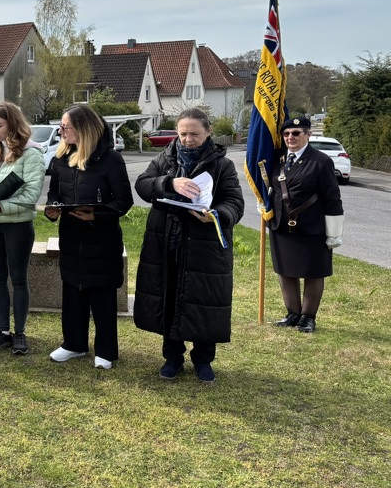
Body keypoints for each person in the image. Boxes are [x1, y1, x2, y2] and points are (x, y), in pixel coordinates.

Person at [133, 108, 245, 383]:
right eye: (182, 133)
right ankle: (172, 357)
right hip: (167, 243)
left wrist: (215, 215)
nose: (187, 139)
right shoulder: (165, 158)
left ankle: (203, 359)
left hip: (205, 246)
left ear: (208, 132)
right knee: (169, 298)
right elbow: (143, 185)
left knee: (204, 302)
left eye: (194, 133)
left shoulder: (222, 165)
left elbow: (234, 202)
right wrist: (169, 182)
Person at [44, 106, 134, 369]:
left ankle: (105, 351)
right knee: (72, 291)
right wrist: (53, 210)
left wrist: (96, 216)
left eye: (66, 127)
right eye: (61, 127)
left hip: (101, 239)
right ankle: (73, 344)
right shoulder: (60, 158)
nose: (61, 132)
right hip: (71, 236)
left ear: (83, 129)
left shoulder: (110, 159)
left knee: (102, 296)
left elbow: (123, 201)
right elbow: (53, 194)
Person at [0, 101, 45, 356]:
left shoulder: (32, 154)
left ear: (12, 123)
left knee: (18, 279)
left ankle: (20, 333)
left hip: (18, 226)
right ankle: (2, 331)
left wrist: (1, 207)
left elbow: (31, 194)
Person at [268, 115, 344, 333]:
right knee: (286, 270)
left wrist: (334, 231)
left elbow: (332, 198)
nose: (290, 137)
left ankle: (308, 317)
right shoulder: (277, 158)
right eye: (286, 134)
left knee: (313, 272)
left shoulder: (320, 161)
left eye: (296, 133)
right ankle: (292, 314)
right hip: (282, 224)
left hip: (312, 227)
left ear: (308, 135)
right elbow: (270, 184)